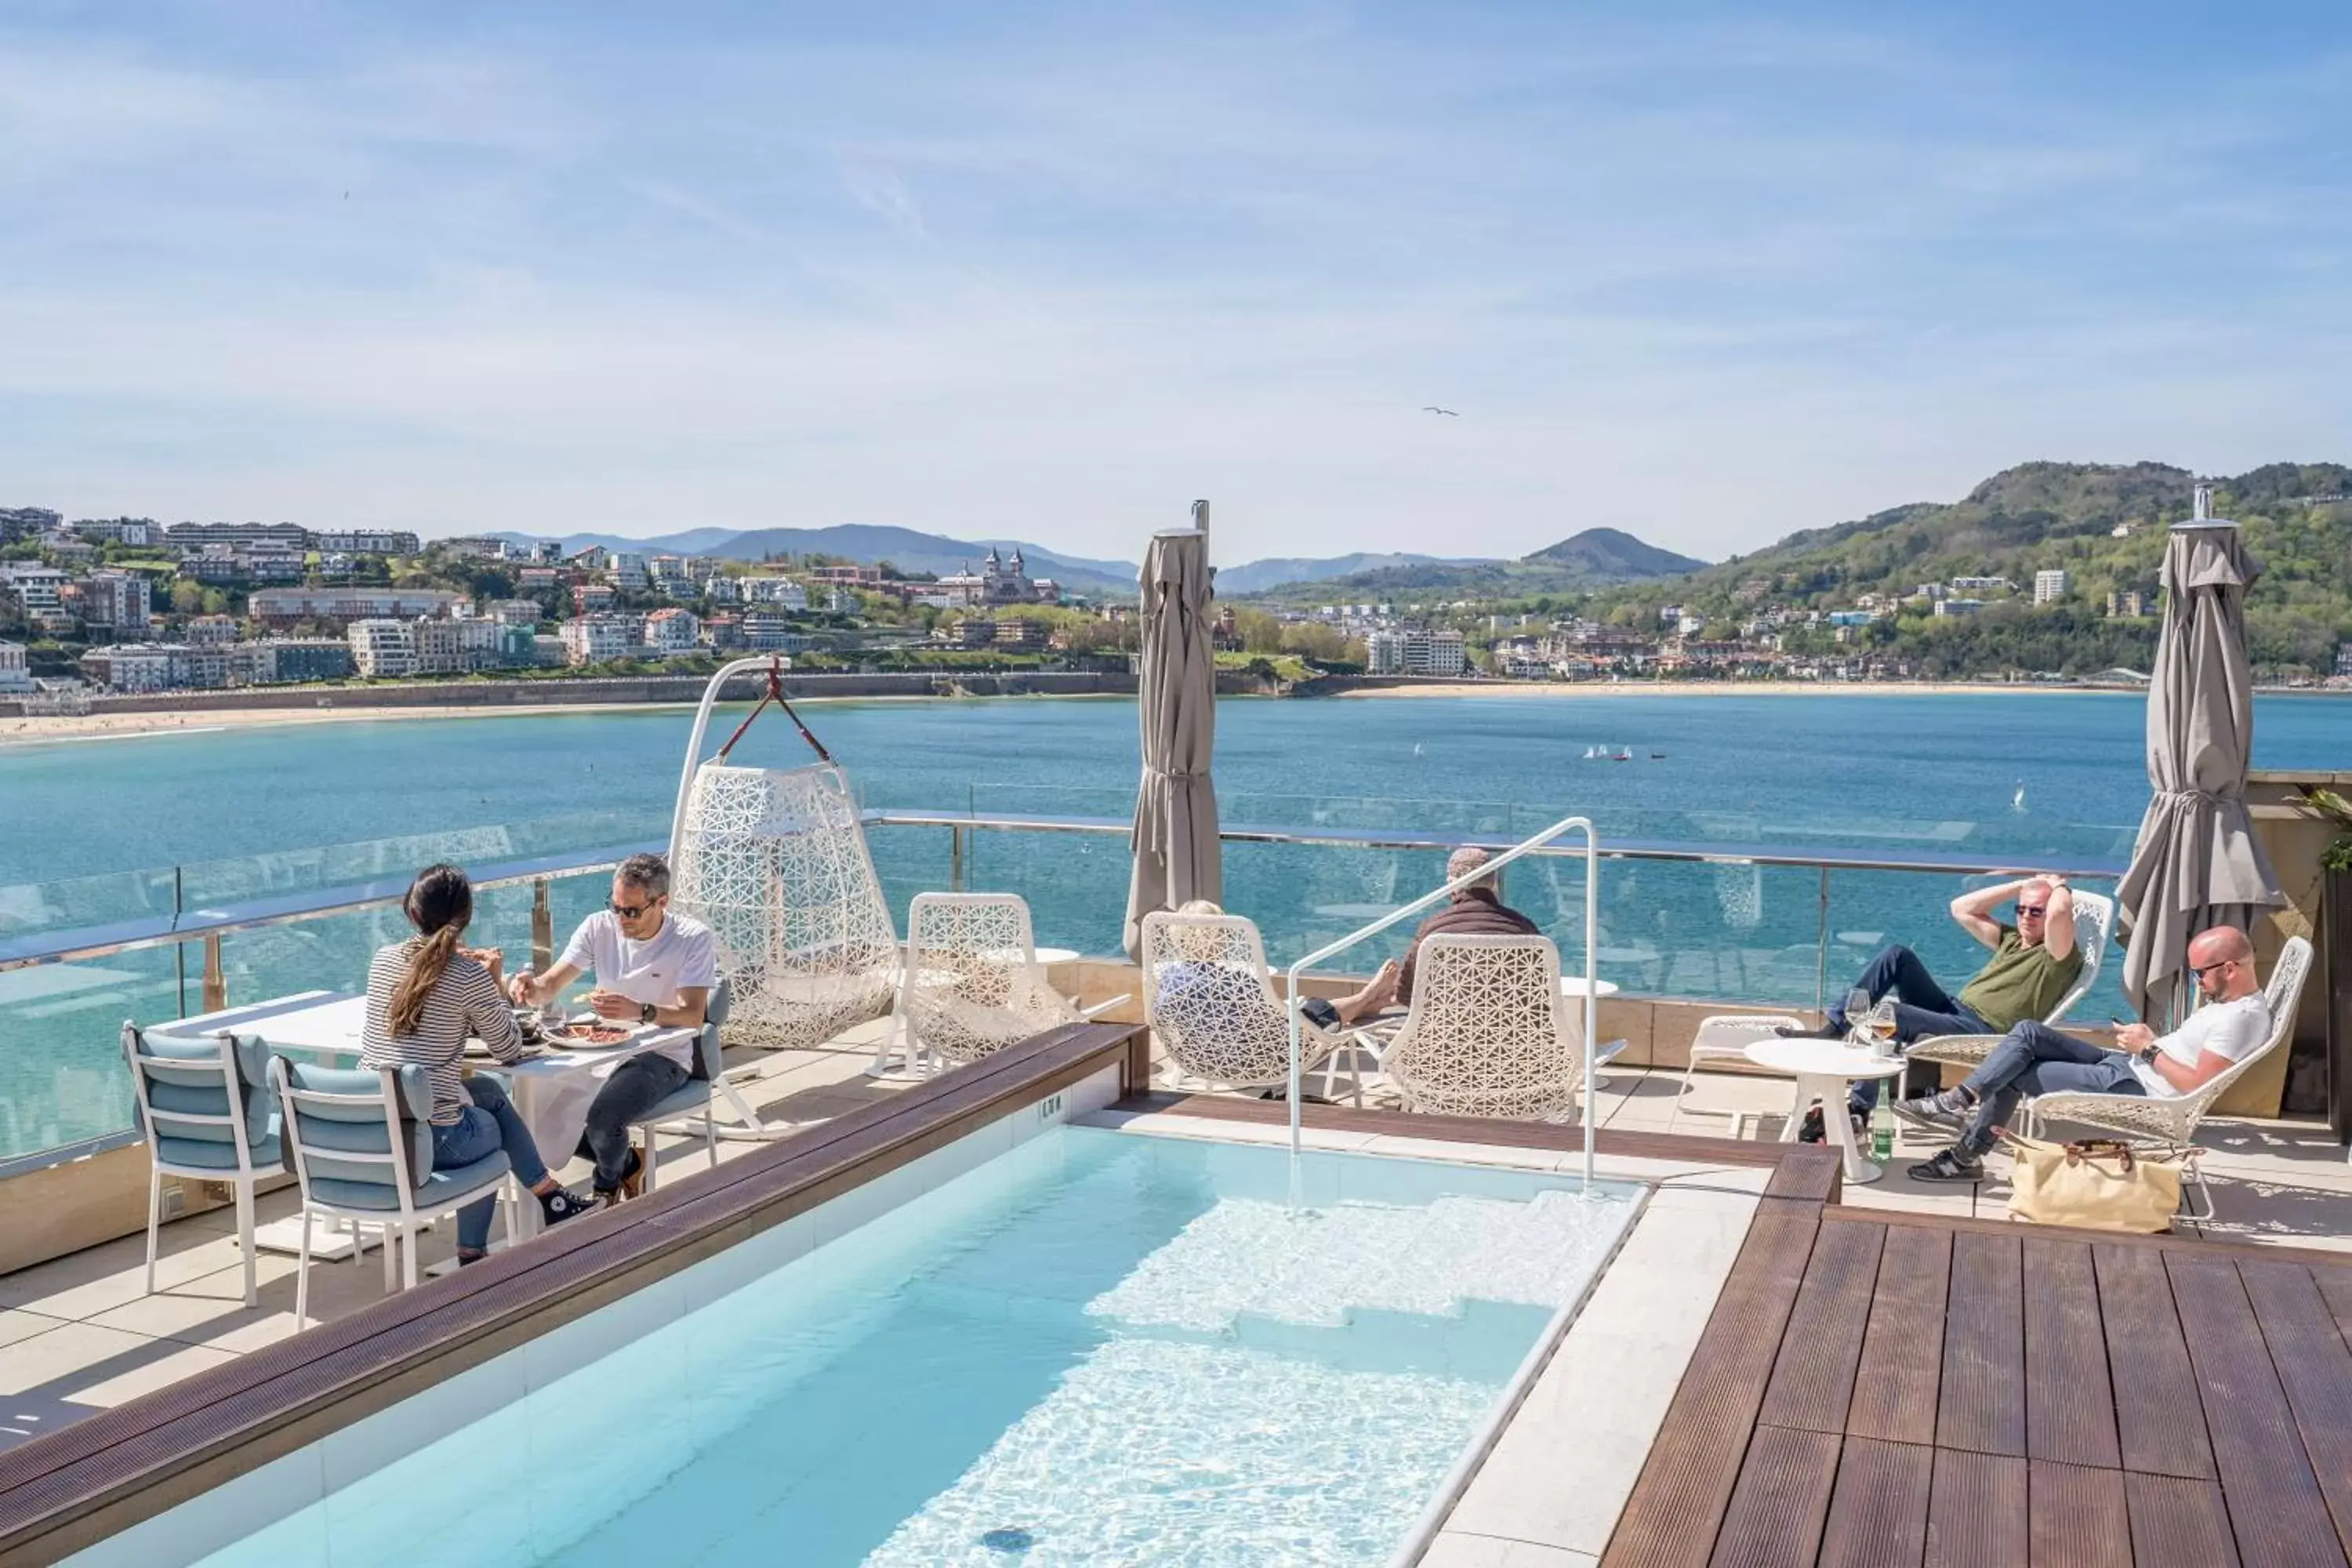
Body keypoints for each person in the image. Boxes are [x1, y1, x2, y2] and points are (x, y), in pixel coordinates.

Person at [1895, 924, 2270, 1184]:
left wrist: (2149, 1048)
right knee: (2027, 1031)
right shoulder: (2231, 1003)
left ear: (2230, 968)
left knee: (2011, 1068)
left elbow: (2196, 1085)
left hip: (2138, 1089)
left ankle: (1963, 1153)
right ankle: (1958, 1104)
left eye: (2199, 975)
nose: (2197, 983)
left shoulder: (2239, 1019)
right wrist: (2147, 1044)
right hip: (2130, 1066)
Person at [361, 865, 597, 1266]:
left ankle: (549, 1195)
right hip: (429, 1139)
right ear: (466, 918)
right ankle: (473, 1254)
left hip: (376, 1129)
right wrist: (490, 982)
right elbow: (507, 1048)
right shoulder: (467, 974)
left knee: (486, 1092)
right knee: (489, 1135)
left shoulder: (383, 960)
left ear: (411, 912)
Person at [1784, 875, 2083, 1131]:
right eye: (2020, 909)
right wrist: (2024, 883)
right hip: (1953, 1010)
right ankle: (1835, 1027)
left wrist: (2060, 887)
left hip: (1982, 1029)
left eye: (2035, 912)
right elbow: (1961, 908)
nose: (2025, 917)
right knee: (1897, 955)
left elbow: (2059, 914)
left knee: (1890, 1015)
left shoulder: (2058, 956)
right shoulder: (2013, 939)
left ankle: (1859, 1109)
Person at [510, 853, 715, 1206]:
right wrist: (530, 988)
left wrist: (642, 1011)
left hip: (662, 1055)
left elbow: (693, 1016)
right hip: (604, 1047)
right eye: (616, 907)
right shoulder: (598, 926)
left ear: (661, 902)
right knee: (529, 1114)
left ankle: (606, 1190)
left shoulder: (691, 938)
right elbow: (551, 984)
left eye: (631, 911)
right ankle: (629, 1163)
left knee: (603, 1120)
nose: (621, 919)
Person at [1395, 847, 1542, 1007]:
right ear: (1493, 883)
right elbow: (1542, 991)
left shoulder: (1433, 928)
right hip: (1513, 1029)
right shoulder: (1524, 929)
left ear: (1451, 884)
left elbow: (1405, 994)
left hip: (1448, 1029)